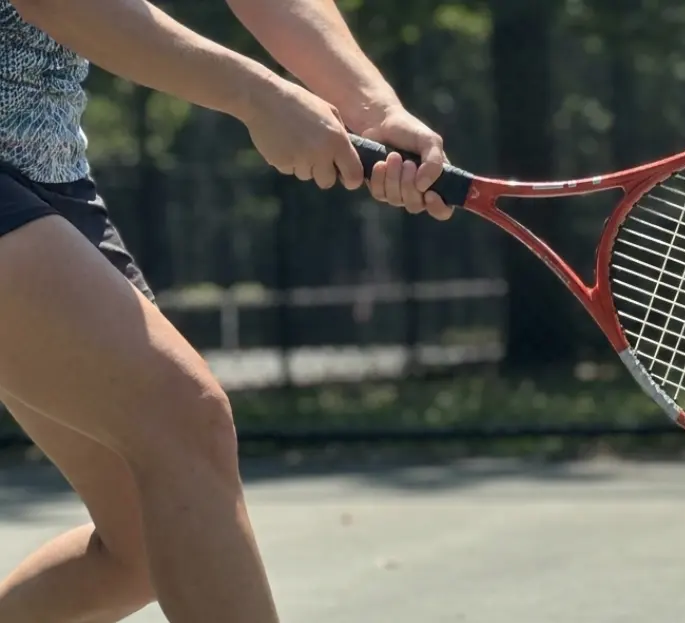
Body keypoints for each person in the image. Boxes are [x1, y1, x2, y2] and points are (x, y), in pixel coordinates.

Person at [0, 0, 450, 621]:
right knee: (182, 419)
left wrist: (374, 109)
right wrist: (257, 95)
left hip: (47, 167)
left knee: (144, 547)